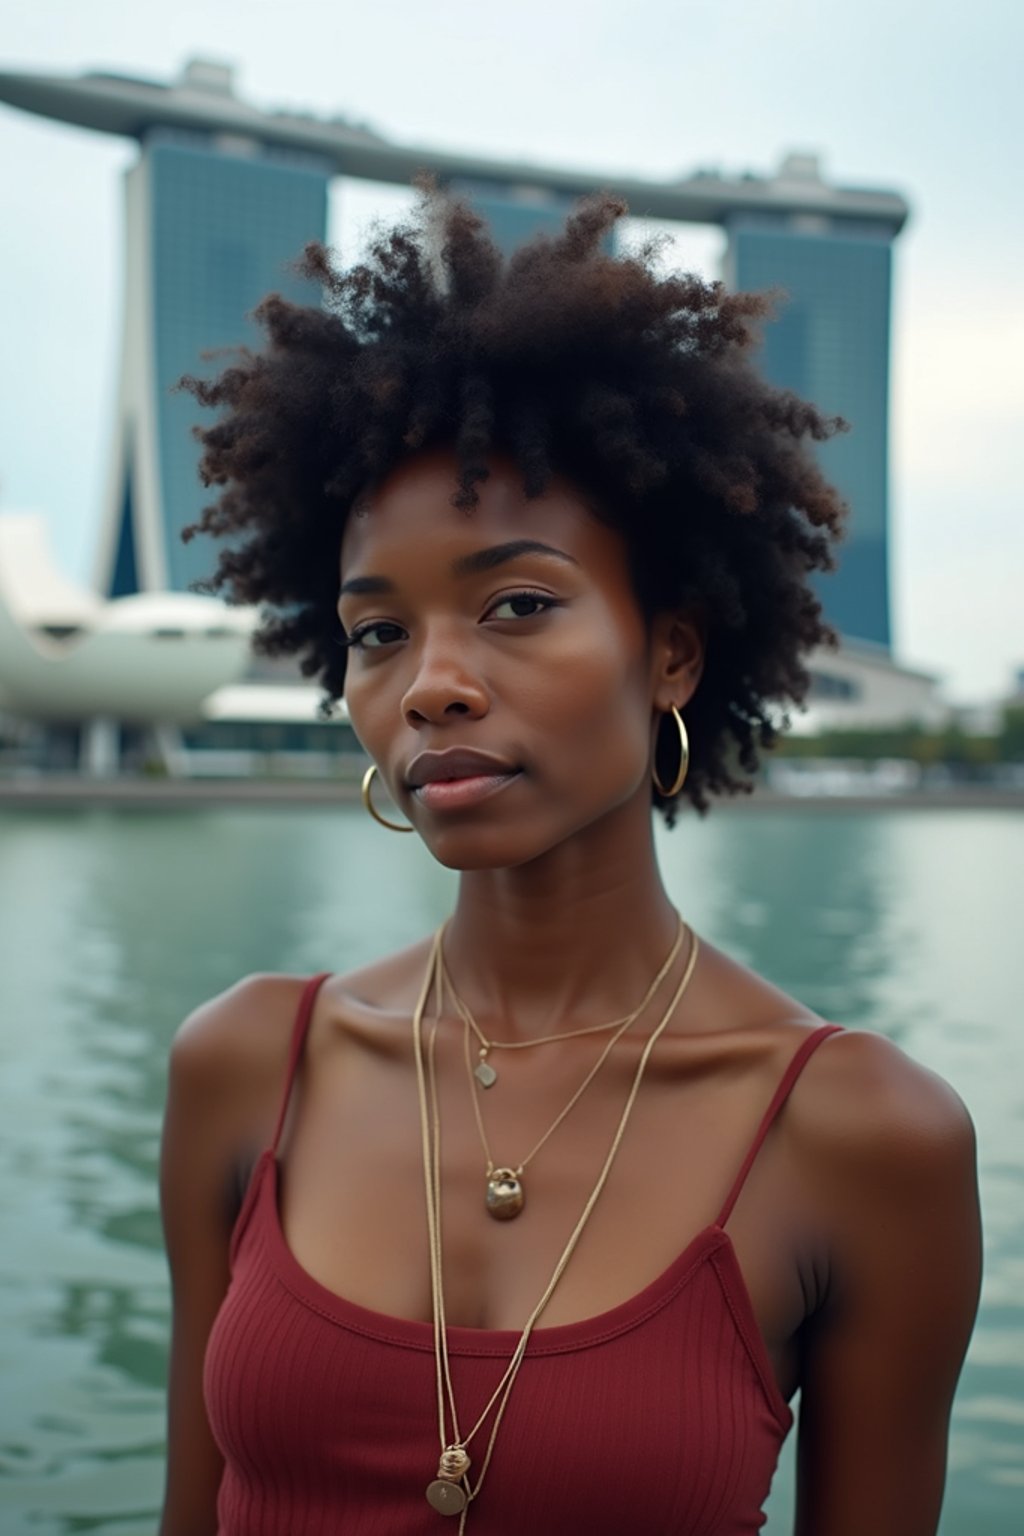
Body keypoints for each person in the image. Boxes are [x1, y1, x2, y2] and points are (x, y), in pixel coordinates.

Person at [158, 193, 981, 1536]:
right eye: (377, 634)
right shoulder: (249, 1066)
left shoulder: (865, 1138)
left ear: (672, 653)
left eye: (518, 606)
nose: (433, 686)